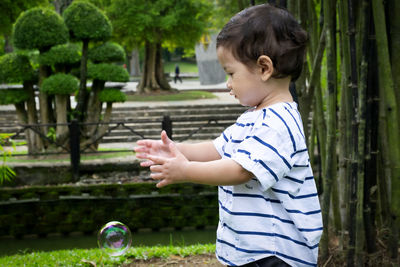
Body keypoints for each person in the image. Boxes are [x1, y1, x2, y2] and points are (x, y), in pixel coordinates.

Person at [135, 4, 322, 267]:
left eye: (231, 73)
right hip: (251, 250)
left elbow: (240, 170)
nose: (228, 84)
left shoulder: (279, 122)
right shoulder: (253, 117)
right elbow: (217, 149)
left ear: (264, 68)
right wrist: (177, 150)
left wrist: (186, 171)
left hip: (274, 254)